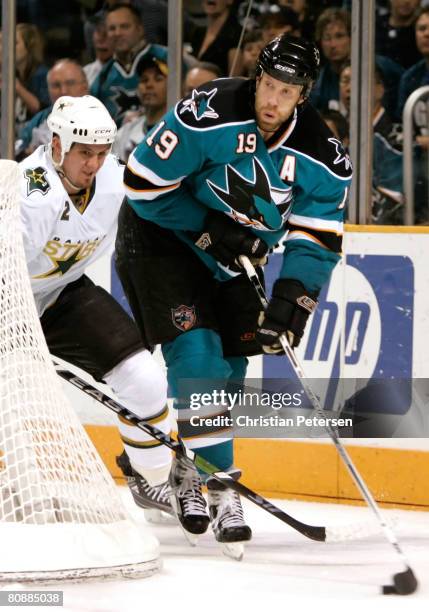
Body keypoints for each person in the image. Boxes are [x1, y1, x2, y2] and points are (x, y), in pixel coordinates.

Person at [115, 35, 352, 551]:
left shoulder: (324, 156)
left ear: (303, 95)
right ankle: (221, 488)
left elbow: (317, 236)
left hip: (236, 255)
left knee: (231, 364)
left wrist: (296, 297)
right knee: (196, 355)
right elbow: (141, 184)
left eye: (286, 92)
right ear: (256, 76)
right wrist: (209, 230)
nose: (272, 100)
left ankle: (188, 466)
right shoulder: (208, 113)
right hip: (163, 237)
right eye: (268, 85)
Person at [19, 94, 173, 524]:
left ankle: (153, 478)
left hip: (61, 295)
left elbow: (170, 194)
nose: (94, 164)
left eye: (102, 153)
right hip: (9, 305)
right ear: (56, 147)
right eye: (84, 153)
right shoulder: (32, 196)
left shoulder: (111, 180)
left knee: (143, 379)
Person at [90, 3, 167, 125]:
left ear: (140, 29)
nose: (117, 33)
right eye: (112, 28)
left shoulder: (167, 57)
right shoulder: (103, 76)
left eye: (124, 27)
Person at [16, 59, 89, 159]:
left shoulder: (100, 118)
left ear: (85, 87)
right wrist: (26, 155)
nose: (63, 91)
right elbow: (18, 149)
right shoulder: (41, 119)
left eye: (70, 83)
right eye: (56, 85)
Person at [113, 54, 168, 162]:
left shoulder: (180, 129)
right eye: (144, 80)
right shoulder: (125, 133)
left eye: (158, 79)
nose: (149, 85)